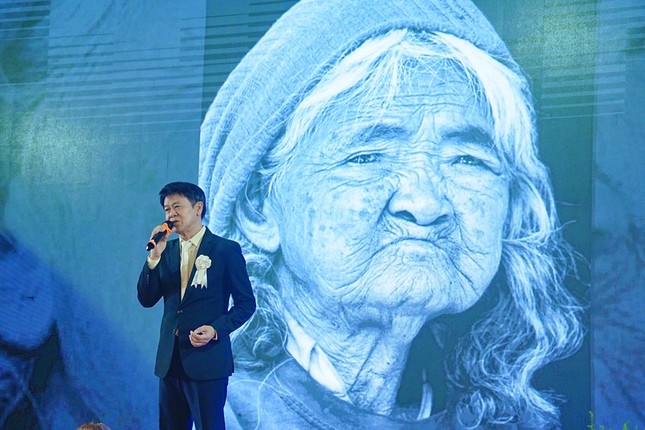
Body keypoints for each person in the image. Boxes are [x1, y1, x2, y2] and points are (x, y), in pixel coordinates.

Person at [198, 0, 585, 429]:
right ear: (258, 208)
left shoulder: (493, 413)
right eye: (367, 157)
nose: (424, 204)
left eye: (467, 160)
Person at [137, 181, 256, 430]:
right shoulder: (166, 251)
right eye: (167, 209)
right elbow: (146, 299)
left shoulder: (225, 250)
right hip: (170, 362)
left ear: (198, 207)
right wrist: (154, 257)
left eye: (177, 207)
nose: (171, 214)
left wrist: (215, 329)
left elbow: (246, 304)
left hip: (207, 362)